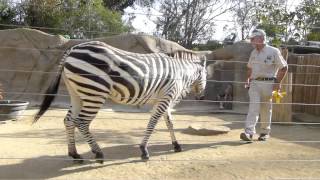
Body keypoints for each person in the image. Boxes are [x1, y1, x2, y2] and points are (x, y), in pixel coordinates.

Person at [240, 29, 288, 142]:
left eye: (253, 38)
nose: (251, 41)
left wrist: (278, 82)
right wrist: (247, 79)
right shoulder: (253, 53)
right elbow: (249, 67)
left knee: (266, 108)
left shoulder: (274, 51)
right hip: (255, 83)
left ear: (261, 38)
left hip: (269, 83)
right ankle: (249, 132)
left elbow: (284, 67)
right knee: (253, 107)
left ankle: (265, 132)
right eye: (251, 39)